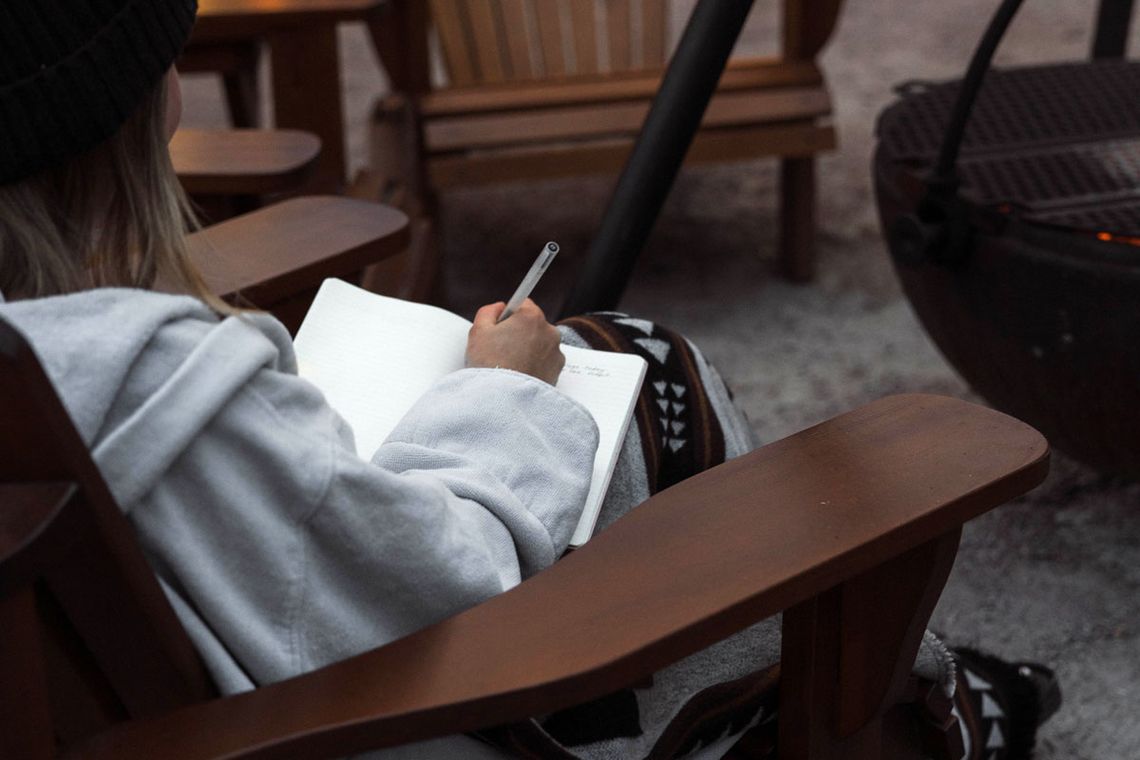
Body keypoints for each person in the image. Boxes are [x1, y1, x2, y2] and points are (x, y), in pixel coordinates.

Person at [0, 1, 1058, 758]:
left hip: (181, 659)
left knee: (614, 355)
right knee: (643, 368)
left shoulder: (46, 374)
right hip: (378, 705)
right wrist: (508, 390)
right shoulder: (159, 389)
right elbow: (439, 580)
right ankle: (898, 698)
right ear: (124, 127)